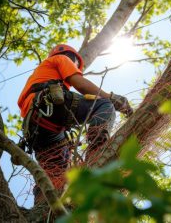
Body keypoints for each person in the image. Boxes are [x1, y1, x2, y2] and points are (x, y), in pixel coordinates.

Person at [17, 44, 133, 200]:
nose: (75, 67)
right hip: (47, 104)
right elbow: (80, 84)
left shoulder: (39, 75)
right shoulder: (62, 58)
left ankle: (43, 203)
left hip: (36, 128)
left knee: (57, 172)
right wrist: (111, 97)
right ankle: (97, 150)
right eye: (76, 65)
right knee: (104, 104)